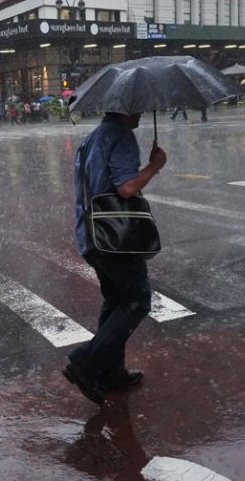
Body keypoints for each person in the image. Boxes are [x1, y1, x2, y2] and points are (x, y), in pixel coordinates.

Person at [63, 112, 167, 404]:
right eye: (138, 108)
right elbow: (127, 188)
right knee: (137, 301)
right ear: (125, 108)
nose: (142, 113)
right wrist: (154, 166)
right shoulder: (120, 136)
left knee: (115, 301)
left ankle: (111, 371)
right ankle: (86, 362)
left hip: (92, 233)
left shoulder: (93, 137)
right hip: (115, 237)